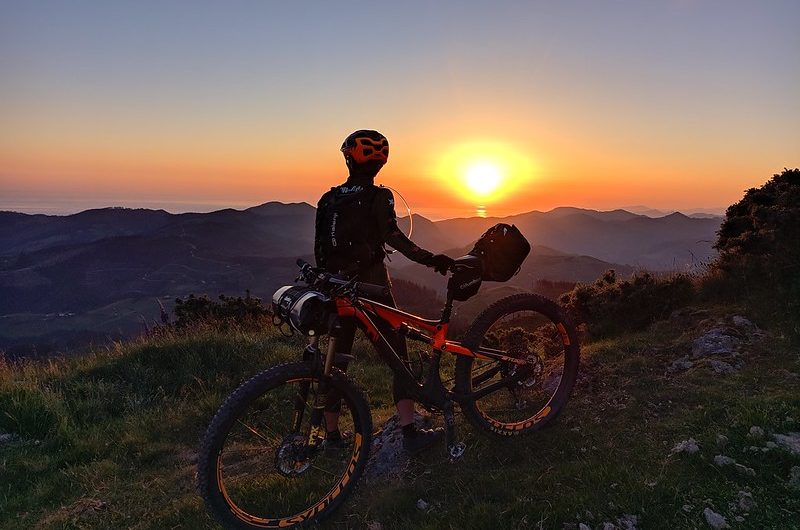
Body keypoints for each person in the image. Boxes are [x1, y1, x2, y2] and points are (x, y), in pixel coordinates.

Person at [314, 129, 454, 454]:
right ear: (381, 162)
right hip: (374, 291)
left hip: (338, 291)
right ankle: (409, 432)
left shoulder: (329, 199)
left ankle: (332, 438)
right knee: (398, 358)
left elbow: (321, 252)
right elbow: (394, 238)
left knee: (335, 363)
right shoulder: (379, 197)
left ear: (348, 157)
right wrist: (432, 260)